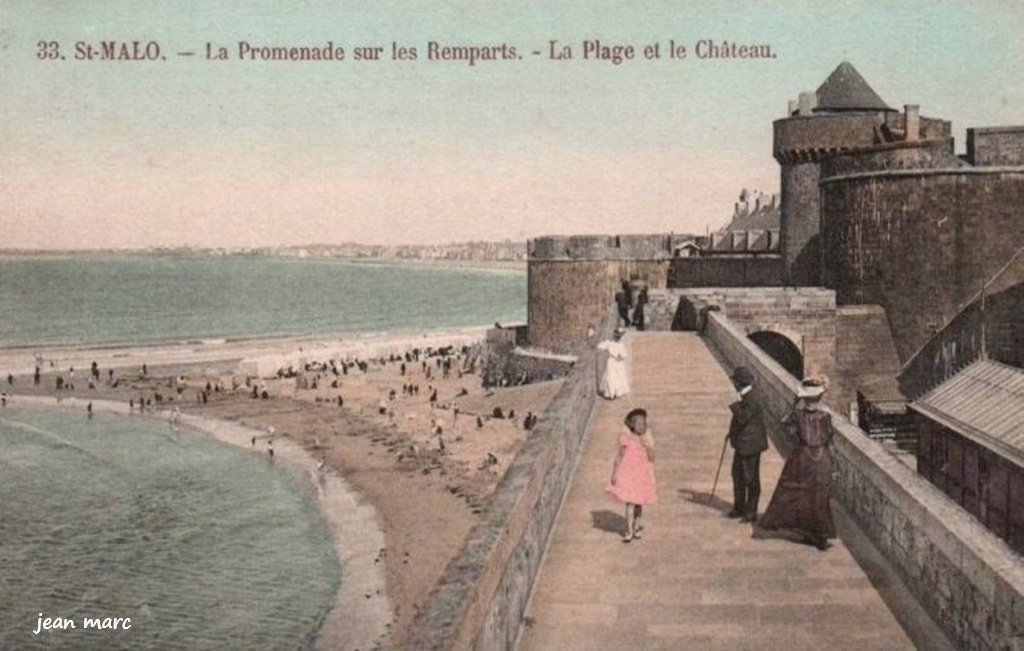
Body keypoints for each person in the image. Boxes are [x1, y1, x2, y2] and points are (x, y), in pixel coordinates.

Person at [757, 378, 836, 551]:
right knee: (820, 497)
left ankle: (803, 528)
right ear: (819, 397)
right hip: (821, 458)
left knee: (797, 492)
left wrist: (794, 403)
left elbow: (784, 423)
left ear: (804, 398)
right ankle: (820, 534)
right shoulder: (825, 417)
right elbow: (830, 440)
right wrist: (834, 465)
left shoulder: (797, 415)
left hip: (802, 458)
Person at [606, 408, 657, 542]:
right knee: (630, 504)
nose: (642, 427)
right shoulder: (626, 439)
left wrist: (648, 447)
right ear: (632, 426)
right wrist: (614, 474)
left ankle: (636, 526)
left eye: (644, 424)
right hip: (629, 475)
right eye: (639, 424)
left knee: (639, 504)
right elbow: (619, 457)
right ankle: (628, 529)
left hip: (642, 475)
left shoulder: (647, 439)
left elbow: (652, 458)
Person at [725, 366, 767, 523]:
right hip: (743, 444)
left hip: (750, 445)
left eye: (735, 381)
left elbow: (743, 418)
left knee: (750, 478)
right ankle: (739, 507)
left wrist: (734, 406)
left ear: (739, 383)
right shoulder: (747, 396)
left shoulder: (752, 398)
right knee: (738, 475)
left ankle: (751, 511)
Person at [597, 328, 630, 399]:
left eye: (619, 336)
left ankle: (618, 392)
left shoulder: (621, 345)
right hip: (611, 361)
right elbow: (599, 346)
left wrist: (620, 357)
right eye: (617, 336)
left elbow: (624, 354)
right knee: (611, 376)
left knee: (619, 376)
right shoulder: (609, 343)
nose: (618, 338)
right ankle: (611, 393)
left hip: (618, 363)